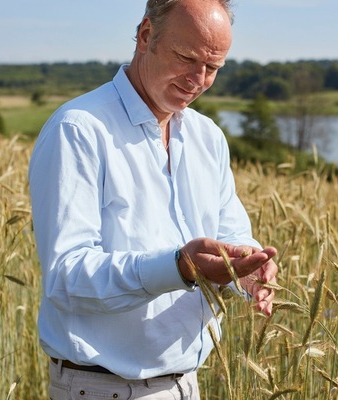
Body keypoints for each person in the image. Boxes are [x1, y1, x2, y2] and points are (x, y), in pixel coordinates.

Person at [28, 0, 279, 398]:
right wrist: (178, 267)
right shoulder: (79, 130)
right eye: (187, 58)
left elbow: (232, 235)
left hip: (186, 385)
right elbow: (66, 277)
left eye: (213, 68)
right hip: (102, 388)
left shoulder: (207, 137)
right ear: (146, 35)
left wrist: (246, 272)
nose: (198, 79)